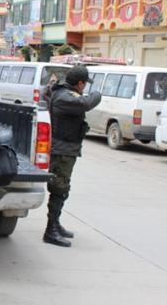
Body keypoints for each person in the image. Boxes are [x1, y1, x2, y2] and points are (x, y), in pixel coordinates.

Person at [44, 66, 101, 247]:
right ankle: (50, 230)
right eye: (85, 85)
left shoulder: (65, 93)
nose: (85, 88)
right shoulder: (64, 97)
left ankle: (56, 224)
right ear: (80, 83)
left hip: (67, 148)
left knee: (63, 188)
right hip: (62, 150)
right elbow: (86, 103)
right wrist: (98, 93)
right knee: (59, 188)